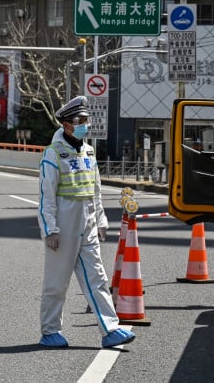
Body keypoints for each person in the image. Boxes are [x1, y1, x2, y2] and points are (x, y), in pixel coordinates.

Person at [37, 95, 136, 348]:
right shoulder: (53, 153)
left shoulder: (89, 151)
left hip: (88, 225)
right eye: (80, 120)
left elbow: (96, 190)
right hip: (63, 226)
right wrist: (50, 229)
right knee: (57, 282)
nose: (85, 125)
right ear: (66, 124)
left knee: (97, 276)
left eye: (86, 120)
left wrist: (101, 220)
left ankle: (111, 329)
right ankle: (50, 331)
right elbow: (46, 195)